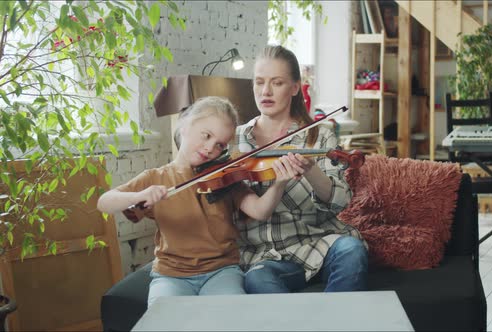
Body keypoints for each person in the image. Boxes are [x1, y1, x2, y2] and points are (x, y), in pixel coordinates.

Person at [97, 96, 300, 306]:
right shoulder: (155, 178)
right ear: (184, 126)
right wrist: (138, 196)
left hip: (221, 272)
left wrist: (279, 183)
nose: (210, 147)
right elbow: (104, 201)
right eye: (206, 135)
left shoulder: (225, 177)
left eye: (220, 144)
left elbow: (260, 211)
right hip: (171, 275)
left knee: (231, 317)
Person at [232, 45, 369, 293]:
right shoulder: (235, 140)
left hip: (315, 242)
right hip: (264, 256)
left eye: (277, 83)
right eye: (259, 82)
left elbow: (341, 203)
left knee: (352, 250)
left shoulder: (319, 136)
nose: (265, 91)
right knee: (258, 281)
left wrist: (312, 171)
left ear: (295, 88)